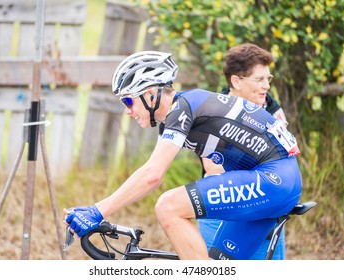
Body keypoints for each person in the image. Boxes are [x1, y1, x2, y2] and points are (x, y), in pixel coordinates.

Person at [64, 50, 302, 260]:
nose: (127, 111)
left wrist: (97, 211)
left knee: (168, 207)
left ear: (150, 95)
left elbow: (152, 176)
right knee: (219, 264)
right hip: (277, 181)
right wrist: (100, 210)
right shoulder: (173, 117)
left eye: (128, 100)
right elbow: (150, 178)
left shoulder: (182, 108)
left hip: (274, 179)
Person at [197, 43, 289, 260]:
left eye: (268, 78)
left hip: (266, 209)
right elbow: (213, 168)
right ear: (236, 81)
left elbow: (286, 159)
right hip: (221, 209)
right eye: (259, 79)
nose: (266, 86)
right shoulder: (211, 113)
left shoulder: (271, 107)